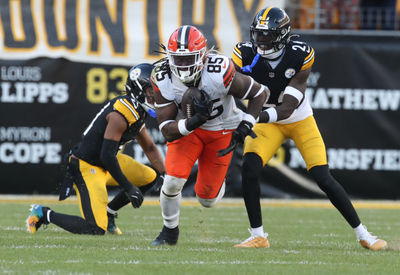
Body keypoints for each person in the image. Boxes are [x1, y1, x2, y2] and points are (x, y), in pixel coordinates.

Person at [231, 7, 387, 250]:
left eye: (267, 34)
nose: (261, 39)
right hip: (265, 121)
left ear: (282, 35)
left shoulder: (300, 54)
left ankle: (364, 234)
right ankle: (258, 235)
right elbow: (235, 92)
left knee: (322, 177)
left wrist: (251, 118)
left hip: (297, 118)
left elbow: (287, 108)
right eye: (258, 34)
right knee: (250, 169)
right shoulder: (244, 53)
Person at [150, 25, 267, 245]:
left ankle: (215, 183)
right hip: (187, 131)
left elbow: (261, 93)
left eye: (189, 59)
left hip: (221, 130)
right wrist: (194, 120)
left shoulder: (219, 71)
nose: (183, 65)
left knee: (207, 199)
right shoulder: (162, 76)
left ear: (202, 56)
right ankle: (169, 231)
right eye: (178, 59)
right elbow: (166, 129)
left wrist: (247, 123)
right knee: (173, 181)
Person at [26, 63, 165, 235]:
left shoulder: (139, 111)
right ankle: (43, 214)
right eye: (151, 91)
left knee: (150, 177)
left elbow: (150, 147)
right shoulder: (121, 113)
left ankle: (110, 213)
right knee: (95, 229)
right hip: (87, 165)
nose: (155, 95)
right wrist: (129, 188)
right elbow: (106, 155)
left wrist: (166, 175)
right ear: (138, 89)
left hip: (107, 161)